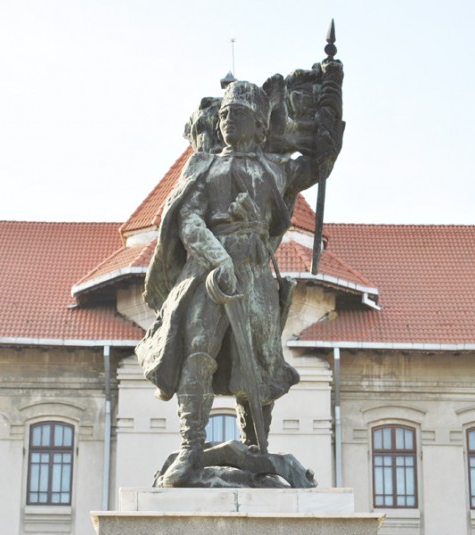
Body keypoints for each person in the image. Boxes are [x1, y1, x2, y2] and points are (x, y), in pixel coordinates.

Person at [136, 76, 341, 487]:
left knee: (260, 365)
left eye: (240, 114)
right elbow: (188, 219)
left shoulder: (275, 169)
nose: (229, 120)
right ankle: (191, 448)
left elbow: (320, 161)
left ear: (260, 125)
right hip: (207, 274)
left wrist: (331, 107)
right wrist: (218, 258)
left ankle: (254, 449)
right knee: (197, 351)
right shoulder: (203, 165)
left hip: (254, 275)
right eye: (225, 114)